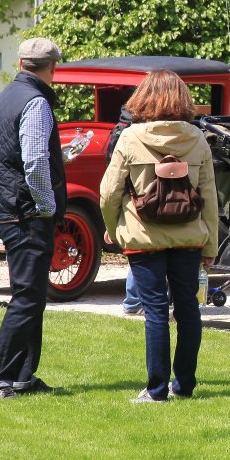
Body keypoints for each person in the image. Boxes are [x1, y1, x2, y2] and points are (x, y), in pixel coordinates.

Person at [99, 70, 219, 402]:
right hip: (188, 238)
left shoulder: (129, 138)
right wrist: (210, 244)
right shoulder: (198, 139)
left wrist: (115, 230)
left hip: (144, 237)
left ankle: (155, 390)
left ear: (143, 98)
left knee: (154, 311)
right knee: (188, 309)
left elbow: (108, 194)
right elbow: (210, 197)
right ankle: (184, 386)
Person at [0, 37, 67, 399]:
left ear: (20, 64)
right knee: (26, 297)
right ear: (53, 68)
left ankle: (23, 377)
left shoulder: (5, 97)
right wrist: (46, 205)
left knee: (32, 296)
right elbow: (34, 162)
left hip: (9, 206)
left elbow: (9, 154)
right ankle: (1, 379)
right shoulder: (36, 102)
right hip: (27, 212)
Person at [105, 102, 143, 318]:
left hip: (125, 198)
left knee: (136, 252)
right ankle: (134, 301)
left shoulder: (119, 130)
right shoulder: (134, 134)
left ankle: (133, 300)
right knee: (141, 251)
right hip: (138, 199)